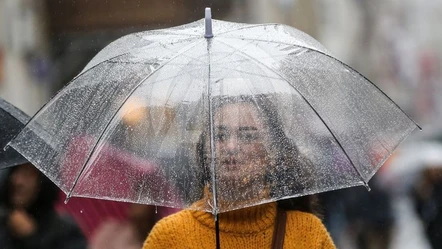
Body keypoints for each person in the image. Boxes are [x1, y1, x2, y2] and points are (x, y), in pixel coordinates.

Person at [142, 95, 336, 248]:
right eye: (220, 135)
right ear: (205, 149)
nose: (232, 146)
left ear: (273, 152)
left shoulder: (308, 233)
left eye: (248, 136)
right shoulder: (169, 236)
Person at [0, 163, 87, 249]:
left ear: (43, 182)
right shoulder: (3, 221)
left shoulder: (66, 232)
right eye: (15, 172)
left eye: (28, 174)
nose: (18, 181)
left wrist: (32, 238)